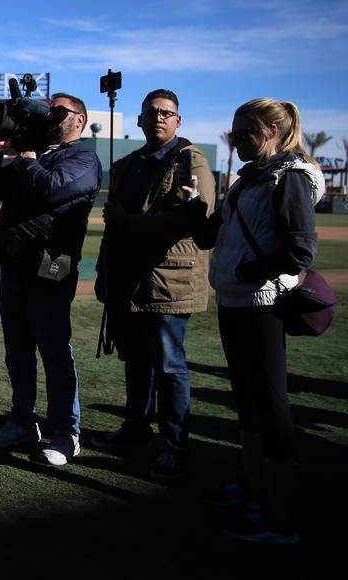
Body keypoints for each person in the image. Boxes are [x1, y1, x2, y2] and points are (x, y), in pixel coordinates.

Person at [193, 98, 323, 544]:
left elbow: (301, 249)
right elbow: (213, 235)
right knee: (247, 401)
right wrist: (197, 210)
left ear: (272, 130)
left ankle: (280, 517)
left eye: (246, 130)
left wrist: (252, 270)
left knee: (270, 404)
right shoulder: (250, 176)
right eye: (234, 130)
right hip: (234, 299)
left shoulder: (290, 177)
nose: (237, 138)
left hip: (262, 301)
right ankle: (252, 488)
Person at [91, 89, 215, 481]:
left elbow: (193, 219)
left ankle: (176, 448)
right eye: (152, 113)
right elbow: (112, 224)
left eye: (168, 113)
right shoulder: (129, 164)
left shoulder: (191, 159)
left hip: (169, 279)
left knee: (170, 366)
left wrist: (129, 222)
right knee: (135, 360)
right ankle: (135, 430)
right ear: (140, 121)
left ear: (178, 121)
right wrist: (104, 272)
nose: (159, 117)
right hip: (128, 279)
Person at [0, 93, 101, 466]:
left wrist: (28, 162)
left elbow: (51, 189)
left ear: (79, 121)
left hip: (51, 265)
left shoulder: (83, 158)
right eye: (49, 110)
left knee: (53, 350)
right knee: (17, 349)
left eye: (60, 111)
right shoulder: (33, 155)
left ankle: (67, 433)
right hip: (16, 262)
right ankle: (23, 420)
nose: (50, 115)